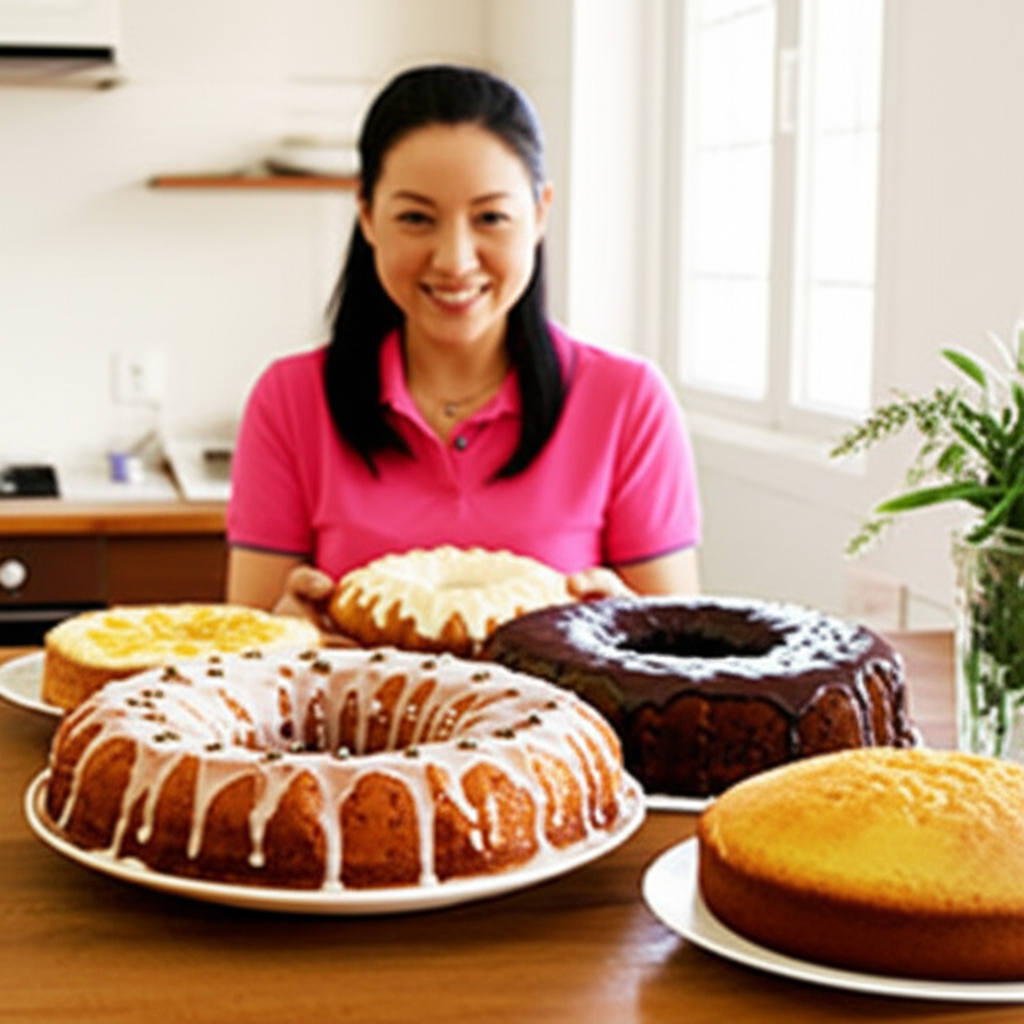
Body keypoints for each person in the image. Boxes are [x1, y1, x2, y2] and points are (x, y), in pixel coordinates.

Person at [226, 64, 701, 635]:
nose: (454, 259)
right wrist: (284, 633)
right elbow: (245, 655)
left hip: (566, 723)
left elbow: (674, 660)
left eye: (491, 217)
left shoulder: (627, 402)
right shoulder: (290, 399)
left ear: (540, 212)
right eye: (416, 218)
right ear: (369, 217)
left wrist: (628, 630)